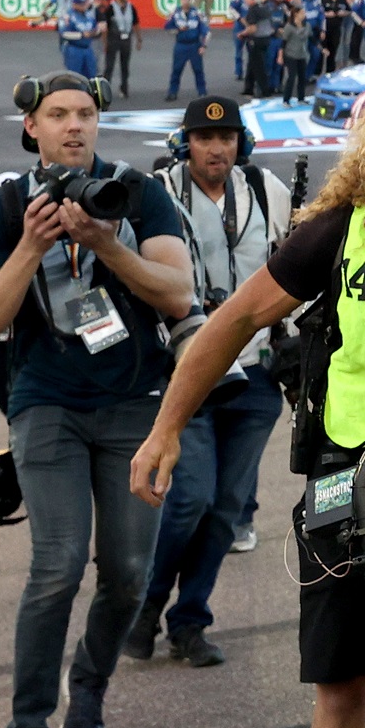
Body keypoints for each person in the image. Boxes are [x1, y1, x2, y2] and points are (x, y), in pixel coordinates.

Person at [130, 63, 365, 728]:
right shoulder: (342, 229)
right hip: (354, 478)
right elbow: (232, 322)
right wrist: (166, 429)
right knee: (343, 687)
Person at [0, 72, 192, 728]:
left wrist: (106, 243)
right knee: (57, 566)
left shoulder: (138, 193)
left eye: (85, 114)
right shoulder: (5, 210)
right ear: (31, 127)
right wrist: (33, 246)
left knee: (127, 572)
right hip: (46, 404)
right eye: (57, 114)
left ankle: (88, 684)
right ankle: (29, 725)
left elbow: (178, 295)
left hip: (134, 403)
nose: (74, 126)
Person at [125, 98, 292, 668]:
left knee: (225, 510)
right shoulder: (158, 195)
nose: (216, 148)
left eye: (226, 137)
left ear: (240, 143)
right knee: (188, 499)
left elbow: (290, 267)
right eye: (203, 137)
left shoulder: (268, 190)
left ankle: (189, 620)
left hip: (257, 376)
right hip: (188, 370)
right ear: (185, 142)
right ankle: (144, 605)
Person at [164, 0, 211, 101]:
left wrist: (203, 46)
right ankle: (172, 92)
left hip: (194, 45)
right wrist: (178, 30)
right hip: (181, 45)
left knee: (198, 70)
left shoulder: (198, 13)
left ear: (191, 0)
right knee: (176, 69)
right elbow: (167, 27)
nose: (186, 1)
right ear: (181, 0)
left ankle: (202, 92)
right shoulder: (175, 13)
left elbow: (206, 31)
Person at [98, 0, 142, 99]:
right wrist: (105, 42)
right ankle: (104, 90)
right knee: (109, 66)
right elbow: (105, 26)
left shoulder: (131, 7)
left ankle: (124, 88)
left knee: (125, 65)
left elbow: (136, 23)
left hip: (126, 39)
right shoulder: (110, 8)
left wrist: (139, 39)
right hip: (113, 38)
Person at [237, 0, 276, 99]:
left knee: (259, 67)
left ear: (252, 0)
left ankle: (265, 91)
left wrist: (242, 34)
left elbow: (252, 28)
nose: (245, 1)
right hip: (266, 39)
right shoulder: (265, 8)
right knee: (252, 65)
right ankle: (248, 89)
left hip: (256, 40)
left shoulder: (253, 10)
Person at [279, 0, 318, 105]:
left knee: (302, 77)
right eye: (302, 12)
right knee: (291, 77)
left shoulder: (307, 26)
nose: (304, 14)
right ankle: (286, 100)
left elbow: (312, 38)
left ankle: (301, 98)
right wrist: (280, 56)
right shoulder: (289, 27)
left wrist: (321, 48)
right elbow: (283, 43)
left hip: (302, 54)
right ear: (296, 14)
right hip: (291, 55)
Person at [57, 0, 103, 77]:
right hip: (74, 48)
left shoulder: (89, 16)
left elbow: (95, 29)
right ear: (75, 5)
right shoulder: (68, 16)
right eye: (81, 4)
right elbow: (64, 34)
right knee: (75, 76)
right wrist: (81, 35)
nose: (84, 6)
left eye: (85, 3)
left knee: (91, 74)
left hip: (88, 48)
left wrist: (98, 31)